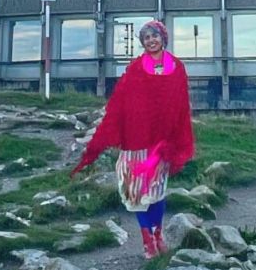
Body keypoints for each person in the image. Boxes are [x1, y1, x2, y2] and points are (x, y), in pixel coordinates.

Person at [71, 19, 194, 256]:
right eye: (146, 38)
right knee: (136, 192)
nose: (151, 41)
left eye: (154, 36)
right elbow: (122, 100)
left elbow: (180, 105)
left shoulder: (176, 67)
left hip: (161, 144)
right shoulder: (136, 68)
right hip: (136, 141)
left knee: (156, 191)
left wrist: (175, 136)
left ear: (163, 38)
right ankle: (147, 239)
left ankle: (158, 236)